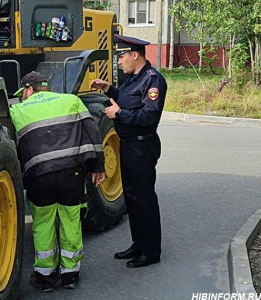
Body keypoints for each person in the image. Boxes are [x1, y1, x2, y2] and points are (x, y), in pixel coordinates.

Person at [10, 71, 105, 291]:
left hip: (39, 176)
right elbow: (92, 132)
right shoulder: (72, 100)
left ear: (29, 90)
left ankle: (45, 277)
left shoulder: (17, 110)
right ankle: (70, 275)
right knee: (71, 220)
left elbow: (14, 146)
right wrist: (98, 167)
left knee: (43, 224)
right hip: (71, 174)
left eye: (23, 93)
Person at [90, 34, 167, 268]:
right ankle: (138, 244)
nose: (119, 61)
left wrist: (120, 115)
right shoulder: (133, 78)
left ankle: (151, 251)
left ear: (135, 55)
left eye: (122, 56)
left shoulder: (153, 80)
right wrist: (110, 90)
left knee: (144, 199)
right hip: (128, 145)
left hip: (142, 146)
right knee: (132, 198)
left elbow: (150, 116)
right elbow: (127, 99)